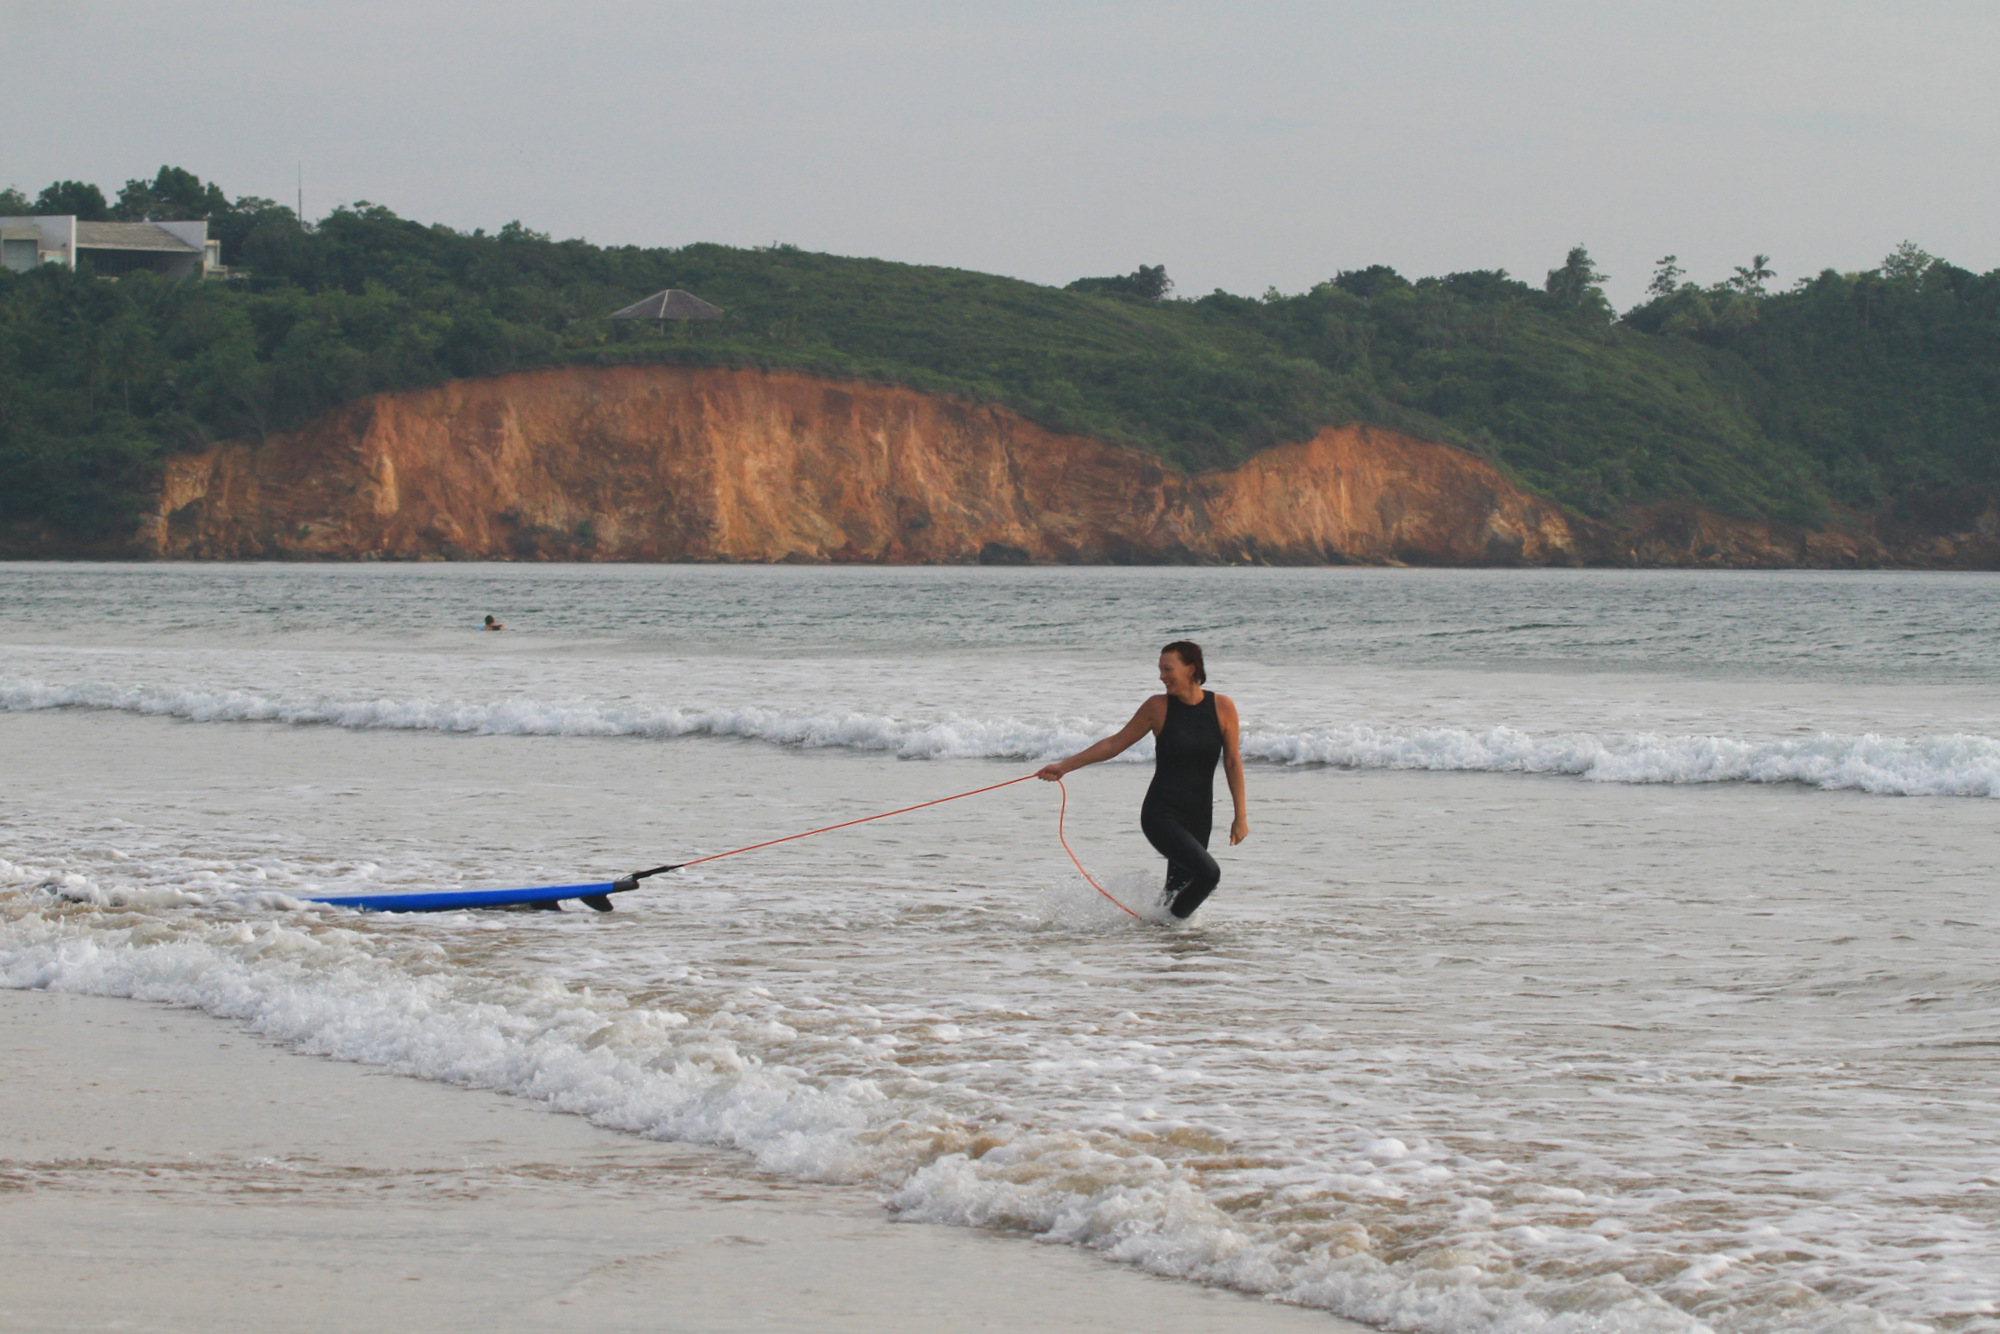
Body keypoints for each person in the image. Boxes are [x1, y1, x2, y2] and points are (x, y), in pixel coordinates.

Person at [1036, 641, 1247, 919]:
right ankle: (1167, 925)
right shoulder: (1157, 707)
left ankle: (1162, 935)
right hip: (1161, 814)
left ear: (1191, 668)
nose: (1162, 676)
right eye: (1160, 670)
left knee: (1176, 889)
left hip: (1199, 816)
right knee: (1209, 874)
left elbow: (1232, 761)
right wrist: (1064, 767)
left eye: (1168, 669)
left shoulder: (1223, 707)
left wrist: (1240, 816)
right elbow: (1114, 744)